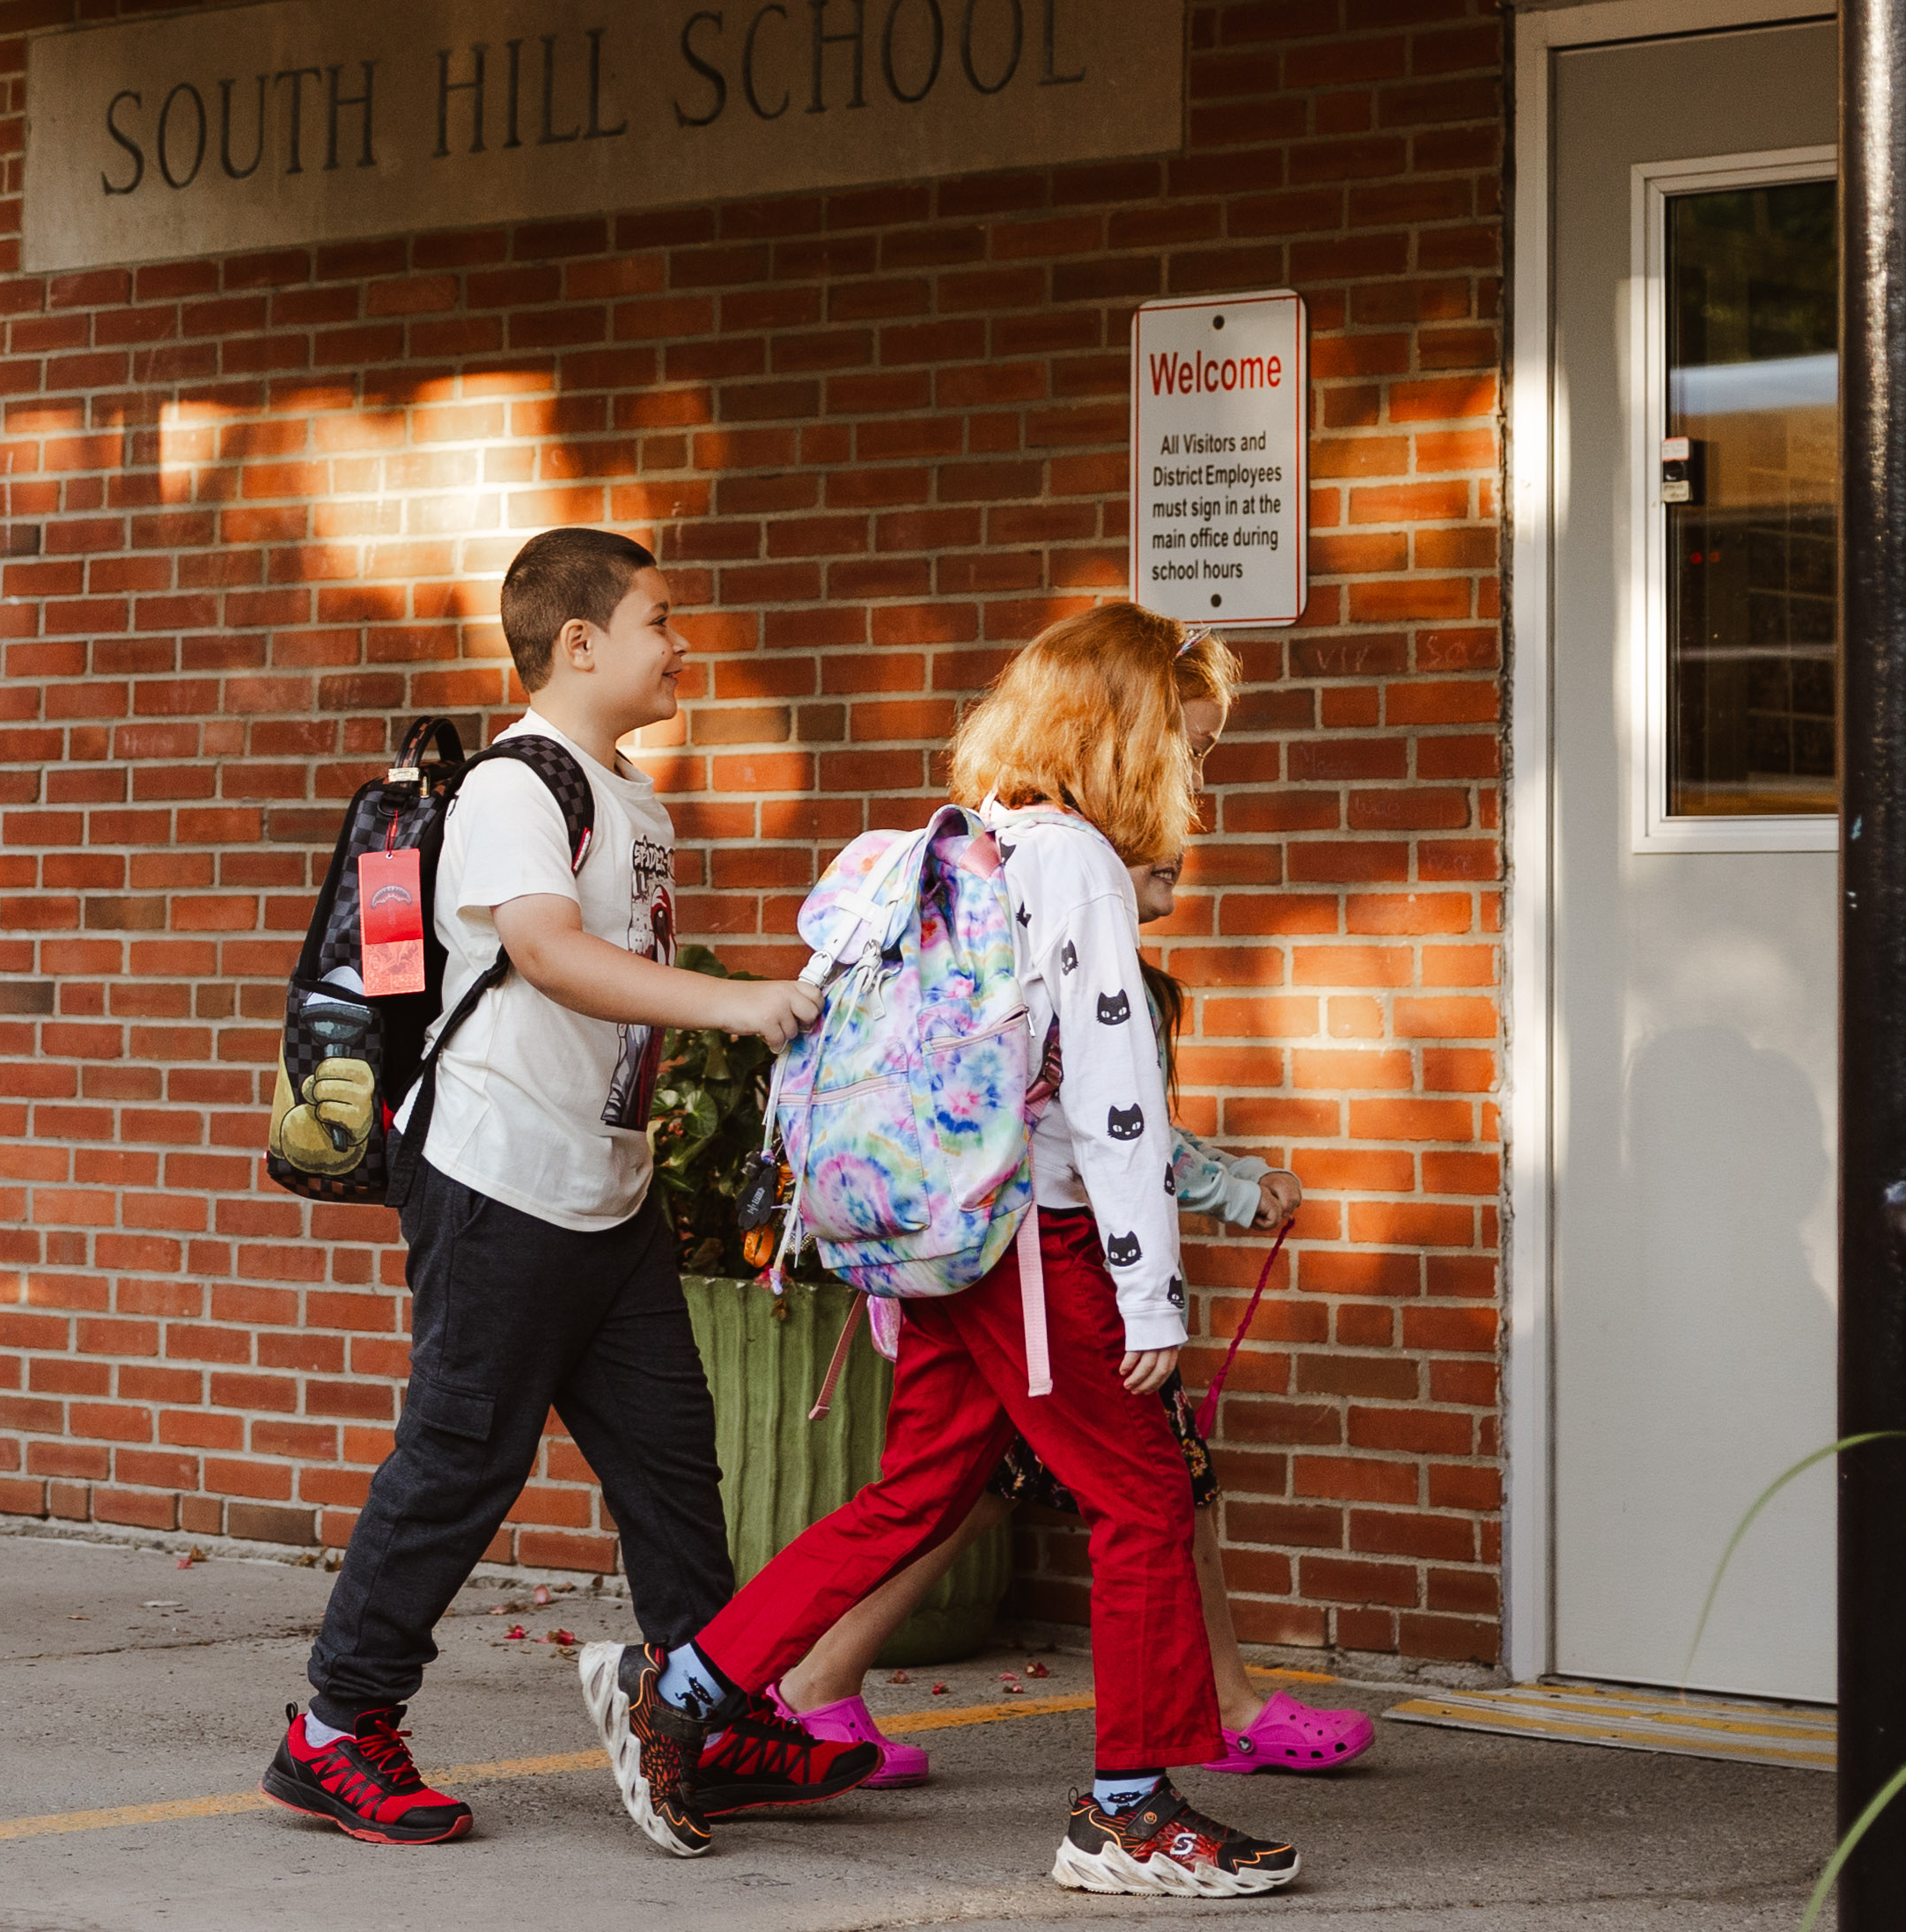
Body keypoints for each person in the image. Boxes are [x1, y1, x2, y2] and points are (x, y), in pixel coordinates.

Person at [579, 602, 1304, 1898]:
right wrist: (1151, 1292)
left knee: (914, 1493)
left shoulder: (964, 843)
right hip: (1037, 1242)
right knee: (1141, 1501)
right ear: (1124, 739)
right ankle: (1129, 1812)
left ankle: (680, 1691)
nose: (1195, 780)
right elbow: (1114, 1099)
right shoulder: (1076, 861)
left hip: (947, 1236)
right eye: (1187, 748)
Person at [268, 526, 874, 1846]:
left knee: (672, 1464)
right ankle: (335, 1726)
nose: (684, 644)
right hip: (495, 1176)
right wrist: (742, 1005)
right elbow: (543, 954)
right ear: (580, 642)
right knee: (461, 1460)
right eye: (662, 620)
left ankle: (701, 1718)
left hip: (603, 1188)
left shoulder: (629, 795)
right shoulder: (511, 789)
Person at [769, 846, 1376, 1789]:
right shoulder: (1079, 961)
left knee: (977, 1496)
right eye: (1143, 829)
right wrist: (1226, 1198)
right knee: (1142, 1488)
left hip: (993, 1271)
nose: (1174, 842)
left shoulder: (1051, 964)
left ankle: (791, 1682)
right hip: (1045, 1286)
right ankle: (1197, 1730)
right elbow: (1102, 1130)